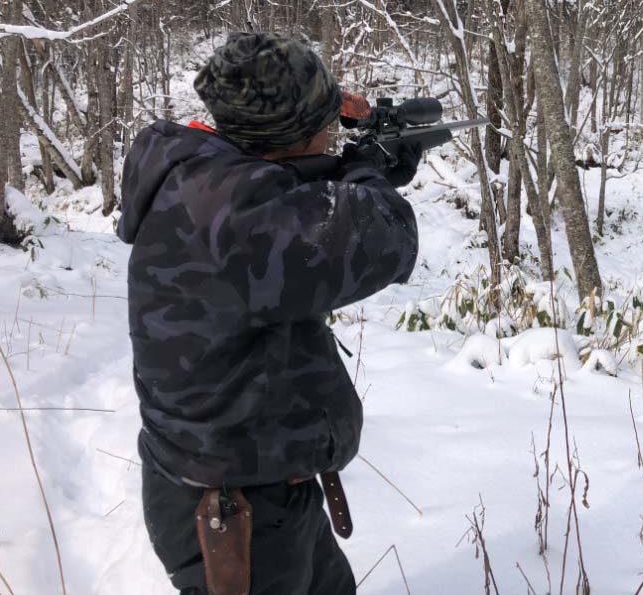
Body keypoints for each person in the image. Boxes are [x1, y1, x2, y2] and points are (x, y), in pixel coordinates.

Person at [116, 32, 420, 594]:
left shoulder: (199, 168)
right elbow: (387, 238)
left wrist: (345, 165)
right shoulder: (239, 217)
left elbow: (286, 195)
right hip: (235, 513)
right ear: (284, 139)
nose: (332, 136)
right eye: (323, 129)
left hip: (254, 487)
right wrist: (367, 171)